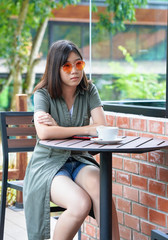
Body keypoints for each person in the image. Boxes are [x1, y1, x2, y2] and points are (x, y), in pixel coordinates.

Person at [23, 40, 120, 240]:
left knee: (103, 194)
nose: (74, 70)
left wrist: (60, 128)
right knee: (80, 203)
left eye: (79, 64)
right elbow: (44, 133)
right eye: (66, 66)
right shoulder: (43, 94)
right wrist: (86, 129)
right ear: (55, 69)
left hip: (80, 159)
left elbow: (101, 127)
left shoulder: (89, 90)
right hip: (48, 164)